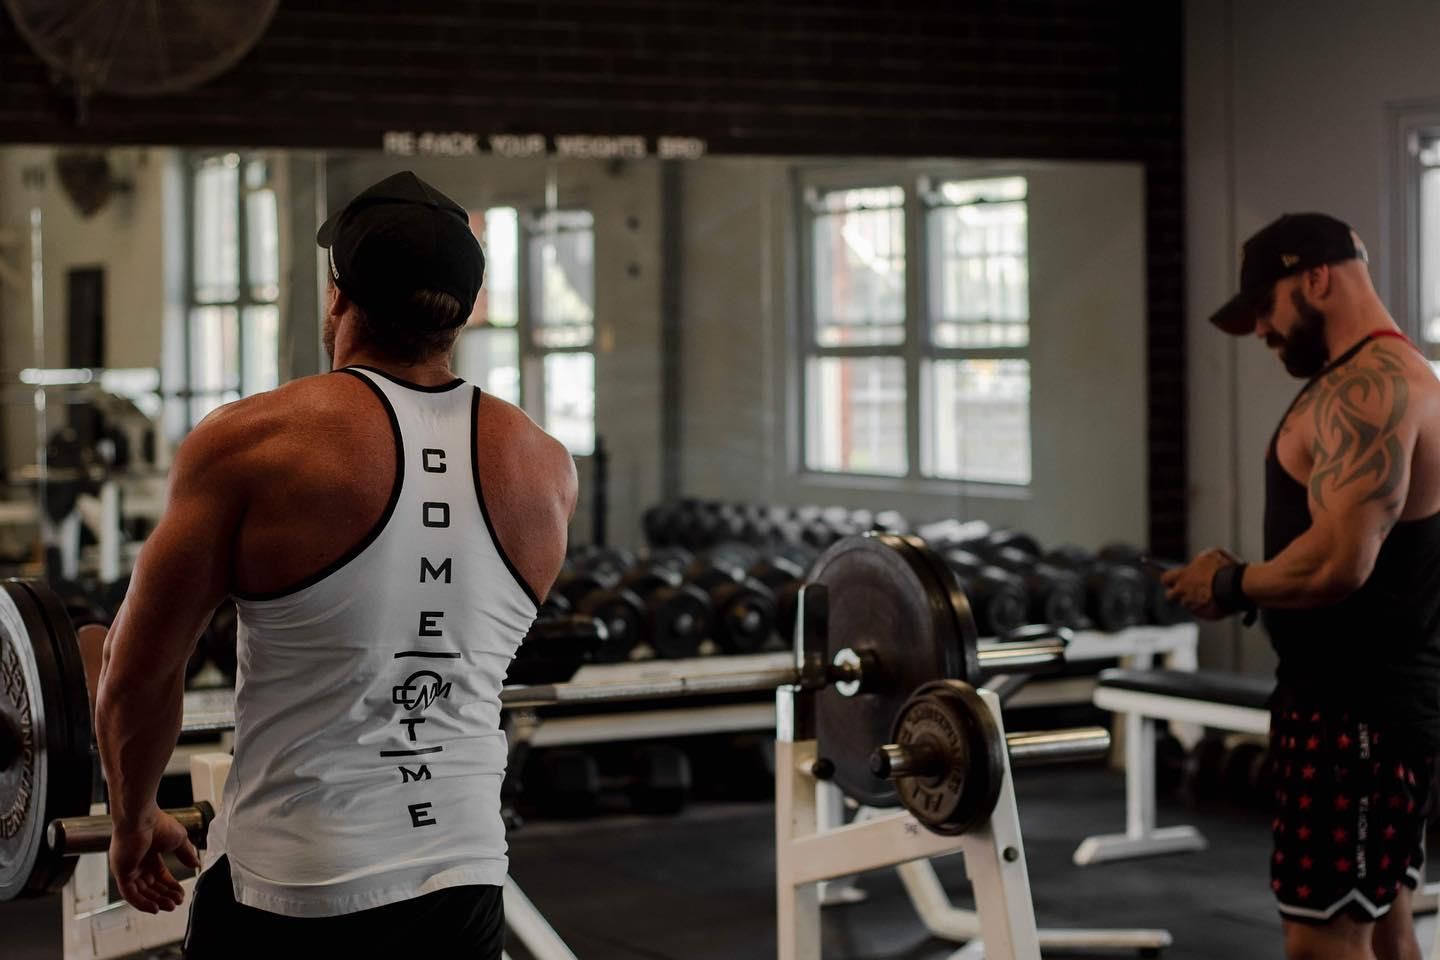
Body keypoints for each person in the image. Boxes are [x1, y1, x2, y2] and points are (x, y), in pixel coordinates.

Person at [94, 171, 577, 957]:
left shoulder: (254, 443)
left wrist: (130, 816)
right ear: (460, 309)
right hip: (462, 876)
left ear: (338, 297)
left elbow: (137, 669)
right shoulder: (546, 467)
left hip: (294, 888)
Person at [1164, 213, 1440, 960]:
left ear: (1315, 278)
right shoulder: (1388, 377)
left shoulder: (1375, 387)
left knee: (1321, 942)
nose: (1260, 329)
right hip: (1368, 706)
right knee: (1386, 932)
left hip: (1355, 712)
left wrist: (1228, 582)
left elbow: (1337, 564)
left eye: (1266, 305)